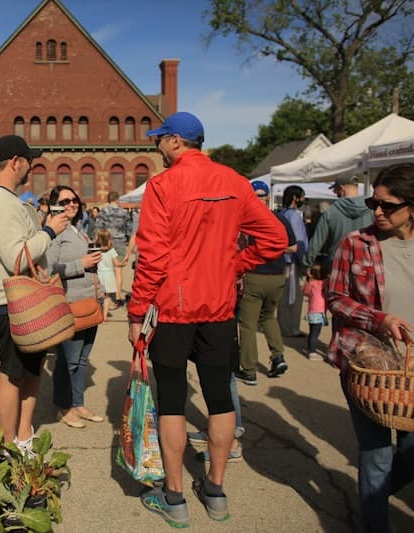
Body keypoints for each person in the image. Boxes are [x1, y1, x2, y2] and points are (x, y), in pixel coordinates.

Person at [128, 112, 287, 527]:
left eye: (160, 140)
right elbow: (275, 238)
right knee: (219, 398)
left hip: (173, 309)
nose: (157, 146)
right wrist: (234, 264)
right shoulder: (234, 182)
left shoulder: (163, 185)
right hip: (217, 309)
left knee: (172, 402)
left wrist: (136, 310)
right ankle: (215, 489)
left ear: (177, 142)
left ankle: (176, 495)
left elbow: (153, 258)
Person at [326, 163, 414, 533]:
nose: (376, 212)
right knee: (376, 459)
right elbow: (335, 297)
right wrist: (378, 319)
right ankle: (374, 520)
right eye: (373, 202)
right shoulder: (355, 243)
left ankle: (372, 498)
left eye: (387, 205)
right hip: (371, 368)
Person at [0, 134, 68, 453]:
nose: (31, 166)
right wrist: (48, 232)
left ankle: (24, 435)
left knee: (28, 371)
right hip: (10, 303)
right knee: (13, 374)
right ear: (15, 162)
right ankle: (8, 444)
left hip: (19, 301)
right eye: (29, 160)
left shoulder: (8, 201)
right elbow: (16, 258)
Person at [45, 185, 103, 428]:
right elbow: (48, 269)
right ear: (55, 205)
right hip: (70, 304)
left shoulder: (77, 230)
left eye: (75, 200)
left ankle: (78, 402)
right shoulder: (54, 232)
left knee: (82, 360)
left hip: (90, 301)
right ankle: (64, 406)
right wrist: (82, 263)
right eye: (65, 201)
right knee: (68, 361)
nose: (72, 204)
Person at [235, 181, 297, 386]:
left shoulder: (247, 221)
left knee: (247, 324)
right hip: (278, 274)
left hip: (255, 275)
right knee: (269, 316)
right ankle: (278, 356)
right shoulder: (279, 219)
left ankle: (249, 369)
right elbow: (294, 247)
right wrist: (276, 247)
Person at [306, 175, 373, 273]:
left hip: (337, 265)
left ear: (342, 188)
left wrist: (307, 264)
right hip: (365, 263)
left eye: (335, 190)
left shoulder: (331, 211)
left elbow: (316, 242)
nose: (334, 193)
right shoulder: (372, 208)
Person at [276, 185, 309, 339]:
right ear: (295, 198)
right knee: (292, 298)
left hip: (283, 260)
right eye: (302, 196)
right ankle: (291, 328)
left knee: (284, 297)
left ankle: (285, 326)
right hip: (292, 262)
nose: (303, 200)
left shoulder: (282, 213)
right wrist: (304, 262)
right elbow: (299, 242)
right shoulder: (294, 216)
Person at [96, 191, 130, 304]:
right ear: (117, 199)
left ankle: (108, 297)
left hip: (107, 242)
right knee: (118, 270)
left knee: (107, 270)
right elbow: (128, 229)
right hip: (120, 241)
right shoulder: (124, 212)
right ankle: (118, 296)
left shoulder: (104, 212)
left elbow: (99, 227)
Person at [302, 263, 327, 361]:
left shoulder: (311, 284)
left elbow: (305, 292)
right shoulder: (323, 283)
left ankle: (310, 349)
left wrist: (309, 278)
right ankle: (312, 353)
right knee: (315, 334)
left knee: (312, 333)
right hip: (319, 312)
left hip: (311, 312)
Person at [95, 229, 120, 320]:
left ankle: (98, 314)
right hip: (109, 275)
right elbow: (117, 264)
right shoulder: (112, 251)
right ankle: (104, 317)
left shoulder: (96, 250)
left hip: (99, 274)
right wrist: (123, 263)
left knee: (98, 296)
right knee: (107, 297)